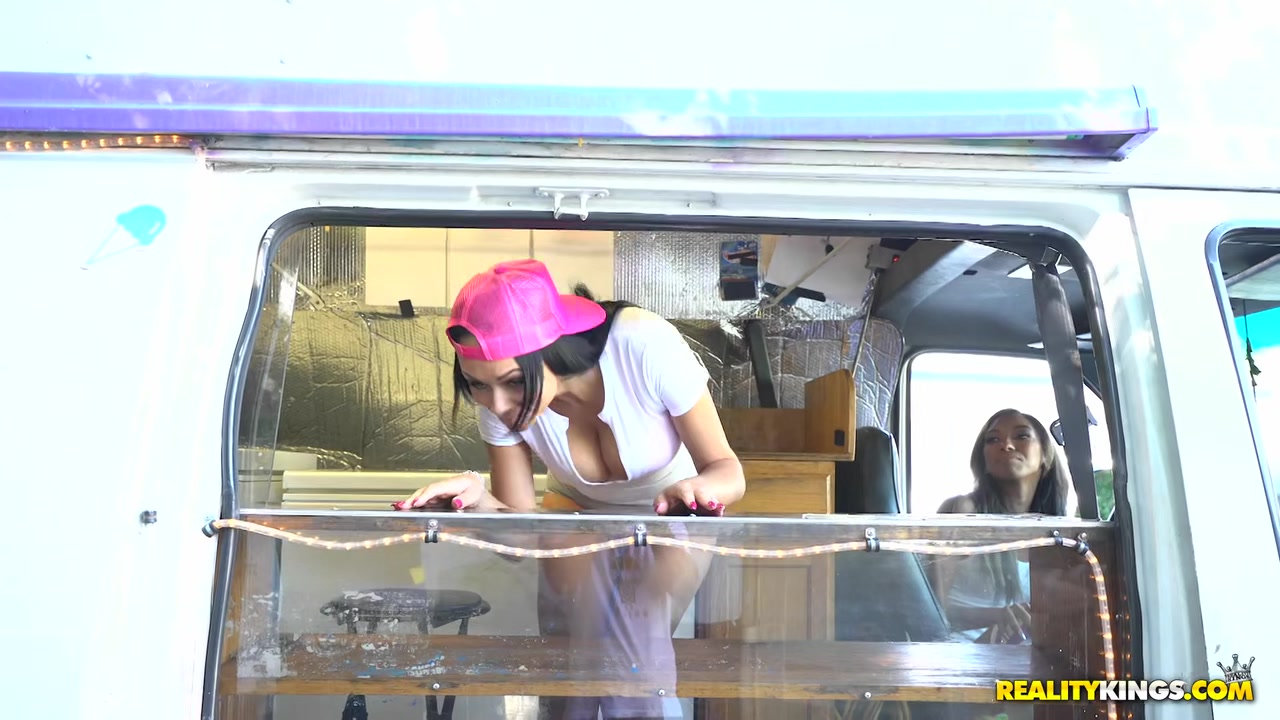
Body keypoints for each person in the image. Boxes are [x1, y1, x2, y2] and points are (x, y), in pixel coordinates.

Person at [395, 258, 746, 719]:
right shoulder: (496, 404)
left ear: (551, 348)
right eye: (477, 385)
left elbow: (728, 472)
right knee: (577, 656)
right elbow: (520, 539)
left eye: (514, 382)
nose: (497, 405)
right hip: (573, 512)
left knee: (637, 640)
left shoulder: (644, 344)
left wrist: (697, 490)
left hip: (672, 510)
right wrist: (478, 499)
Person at [930, 408, 1070, 645]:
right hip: (959, 653)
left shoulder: (1056, 532)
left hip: (1025, 656)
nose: (1006, 445)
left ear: (1045, 456)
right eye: (993, 440)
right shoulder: (964, 511)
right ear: (983, 460)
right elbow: (931, 608)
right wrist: (997, 616)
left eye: (1022, 436)